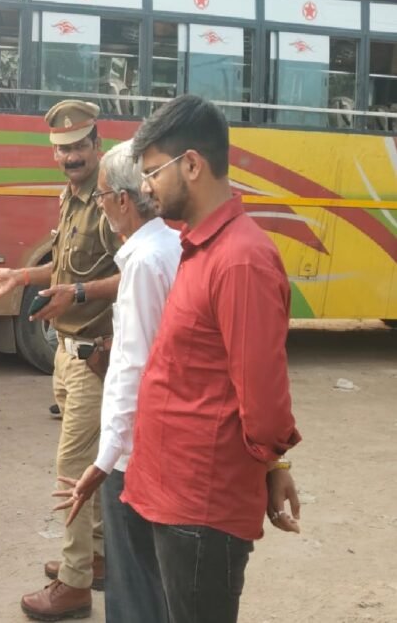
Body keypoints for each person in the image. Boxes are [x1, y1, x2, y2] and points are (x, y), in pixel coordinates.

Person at [119, 95, 301, 623]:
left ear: (193, 165)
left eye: (153, 172)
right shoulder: (201, 246)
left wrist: (275, 462)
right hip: (173, 491)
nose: (146, 188)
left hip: (201, 508)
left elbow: (263, 401)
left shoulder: (241, 260)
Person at [0, 101, 121, 621]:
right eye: (62, 150)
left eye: (79, 147)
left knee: (71, 470)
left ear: (97, 146)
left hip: (94, 357)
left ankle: (75, 583)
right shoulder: (71, 198)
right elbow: (62, 266)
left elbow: (137, 272)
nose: (70, 157)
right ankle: (95, 556)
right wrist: (20, 276)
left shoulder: (109, 203)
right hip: (66, 352)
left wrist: (79, 293)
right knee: (89, 464)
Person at [52, 141, 181, 622]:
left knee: (132, 583)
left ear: (123, 200)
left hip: (134, 449)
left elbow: (133, 368)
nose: (101, 204)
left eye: (104, 196)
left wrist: (105, 462)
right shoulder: (167, 246)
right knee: (147, 573)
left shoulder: (145, 262)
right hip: (155, 439)